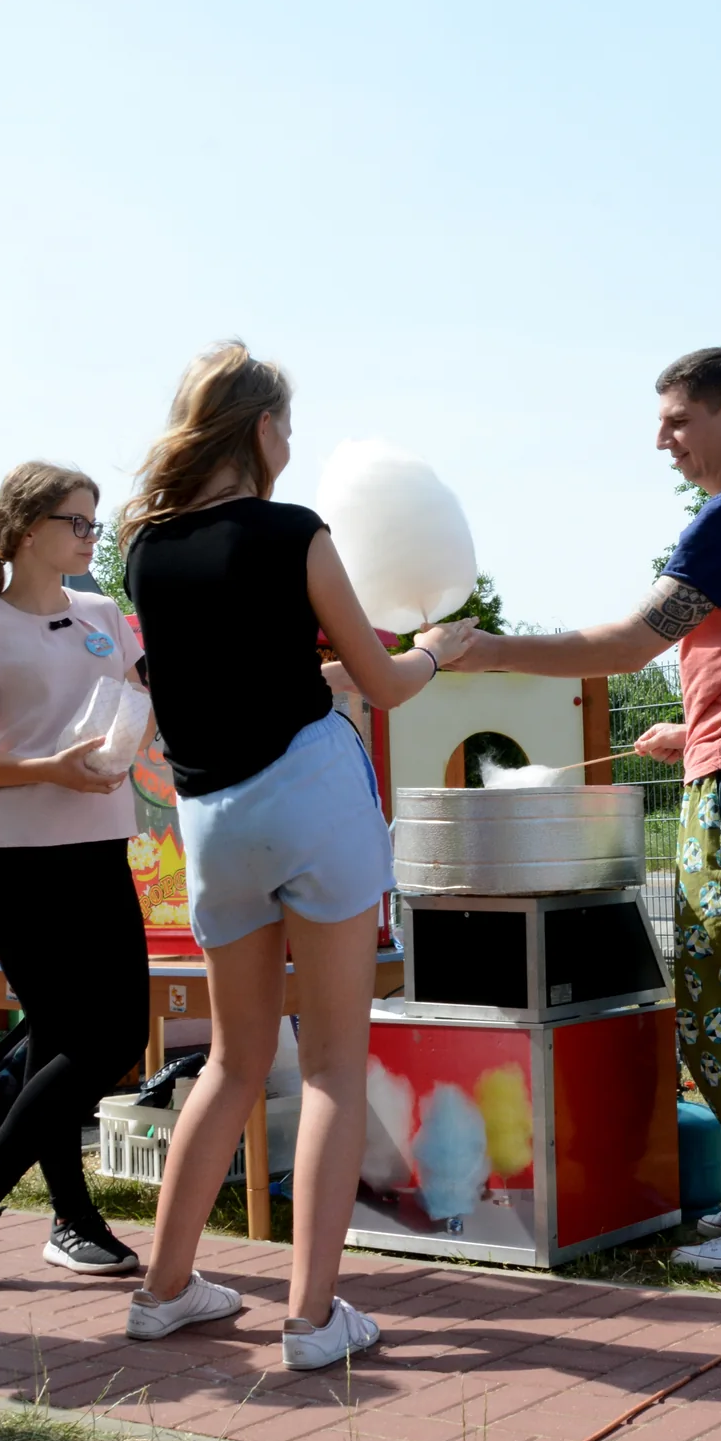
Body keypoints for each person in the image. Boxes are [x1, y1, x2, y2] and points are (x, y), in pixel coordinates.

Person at [449, 347, 721, 1276]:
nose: (661, 440)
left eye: (677, 420)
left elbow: (627, 644)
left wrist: (486, 651)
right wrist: (696, 724)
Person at [117, 342, 472, 1370]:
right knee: (329, 1063)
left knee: (231, 1060)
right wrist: (437, 650)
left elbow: (217, 667)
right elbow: (386, 682)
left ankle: (164, 1287)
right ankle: (314, 1319)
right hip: (311, 797)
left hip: (211, 817)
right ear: (265, 430)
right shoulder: (295, 532)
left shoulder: (144, 545)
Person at [0, 464, 154, 1289]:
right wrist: (52, 765)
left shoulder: (102, 615)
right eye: (78, 522)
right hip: (18, 861)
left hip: (100, 847)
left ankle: (43, 1213)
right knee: (103, 1040)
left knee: (87, 1039)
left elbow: (141, 702)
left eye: (96, 523)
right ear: (26, 530)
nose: (94, 537)